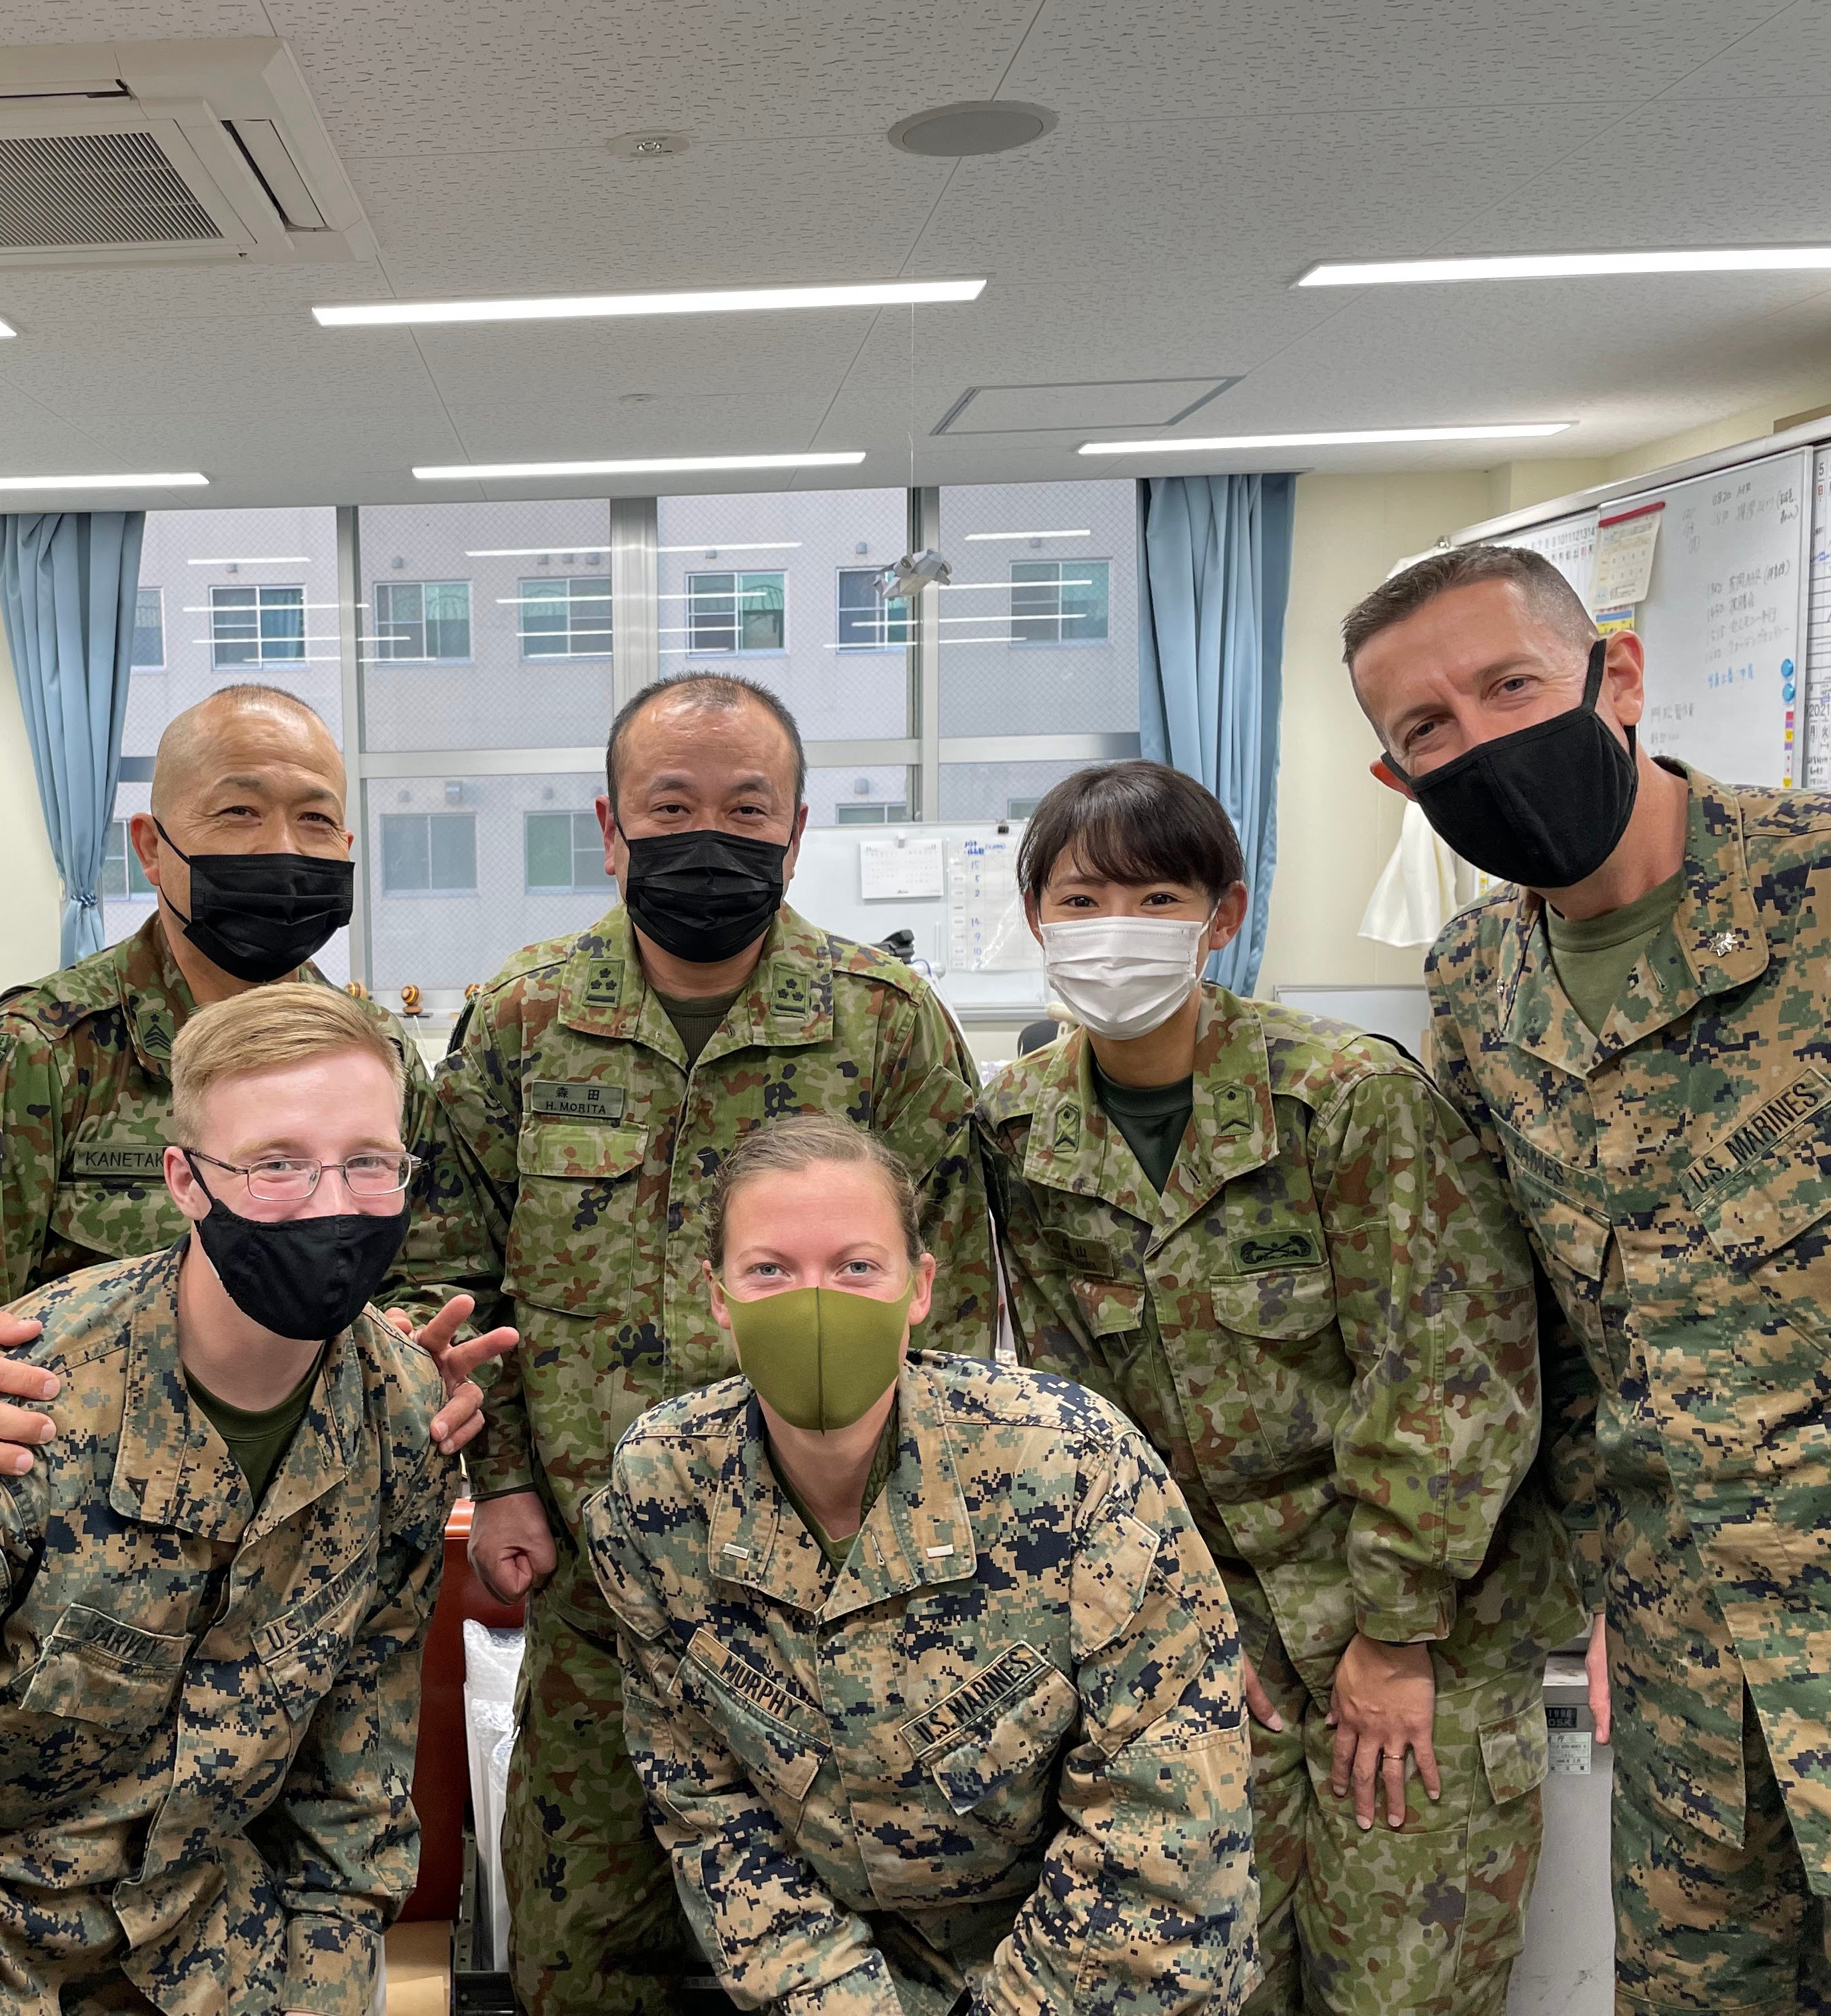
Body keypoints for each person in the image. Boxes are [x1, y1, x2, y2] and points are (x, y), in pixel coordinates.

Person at [0, 983, 451, 2016]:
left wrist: (323, 1992)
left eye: (369, 1163)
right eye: (277, 1165)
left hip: (200, 1941)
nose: (332, 1202)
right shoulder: (14, 1407)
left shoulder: (401, 1418)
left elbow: (352, 1785)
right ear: (187, 1183)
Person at [973, 761, 1582, 2016]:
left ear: (1223, 912)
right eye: (1082, 899)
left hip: (1418, 1637)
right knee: (1204, 1982)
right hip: (1202, 1647)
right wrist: (1171, 1620)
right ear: (1035, 917)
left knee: (1393, 1992)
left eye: (1155, 896)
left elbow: (1456, 1374)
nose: (1116, 930)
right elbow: (1071, 1413)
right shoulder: (1019, 1129)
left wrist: (1395, 1629)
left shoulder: (1342, 1098)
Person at [429, 673, 998, 2015]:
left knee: (842, 1926)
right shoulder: (522, 1016)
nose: (709, 834)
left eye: (746, 808)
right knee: (583, 1931)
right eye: (669, 806)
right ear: (611, 831)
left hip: (832, 1580)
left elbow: (949, 1288)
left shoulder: (883, 1021)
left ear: (797, 831)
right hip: (589, 1573)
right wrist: (500, 1477)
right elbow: (458, 1261)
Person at [1346, 541, 1831, 2011]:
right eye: (1429, 730)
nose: (1480, 742)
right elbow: (1531, 1320)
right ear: (1399, 785)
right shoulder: (1477, 983)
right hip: (1689, 1647)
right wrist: (1595, 1585)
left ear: (1616, 676)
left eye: (1510, 687)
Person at [585, 1113, 1256, 2015]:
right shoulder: (663, 1494)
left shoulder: (1074, 1468)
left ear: (919, 1288)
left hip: (1090, 1975)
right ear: (717, 1296)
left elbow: (1164, 1827)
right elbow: (708, 1806)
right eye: (770, 1271)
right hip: (842, 1980)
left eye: (857, 1267)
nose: (814, 1302)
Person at [0, 682, 507, 1495]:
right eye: (238, 812)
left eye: (314, 821)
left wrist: (423, 1350)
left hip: (324, 1513)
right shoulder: (46, 1051)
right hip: (88, 1533)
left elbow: (434, 1269)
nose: (280, 847)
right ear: (150, 846)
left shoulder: (375, 1054)